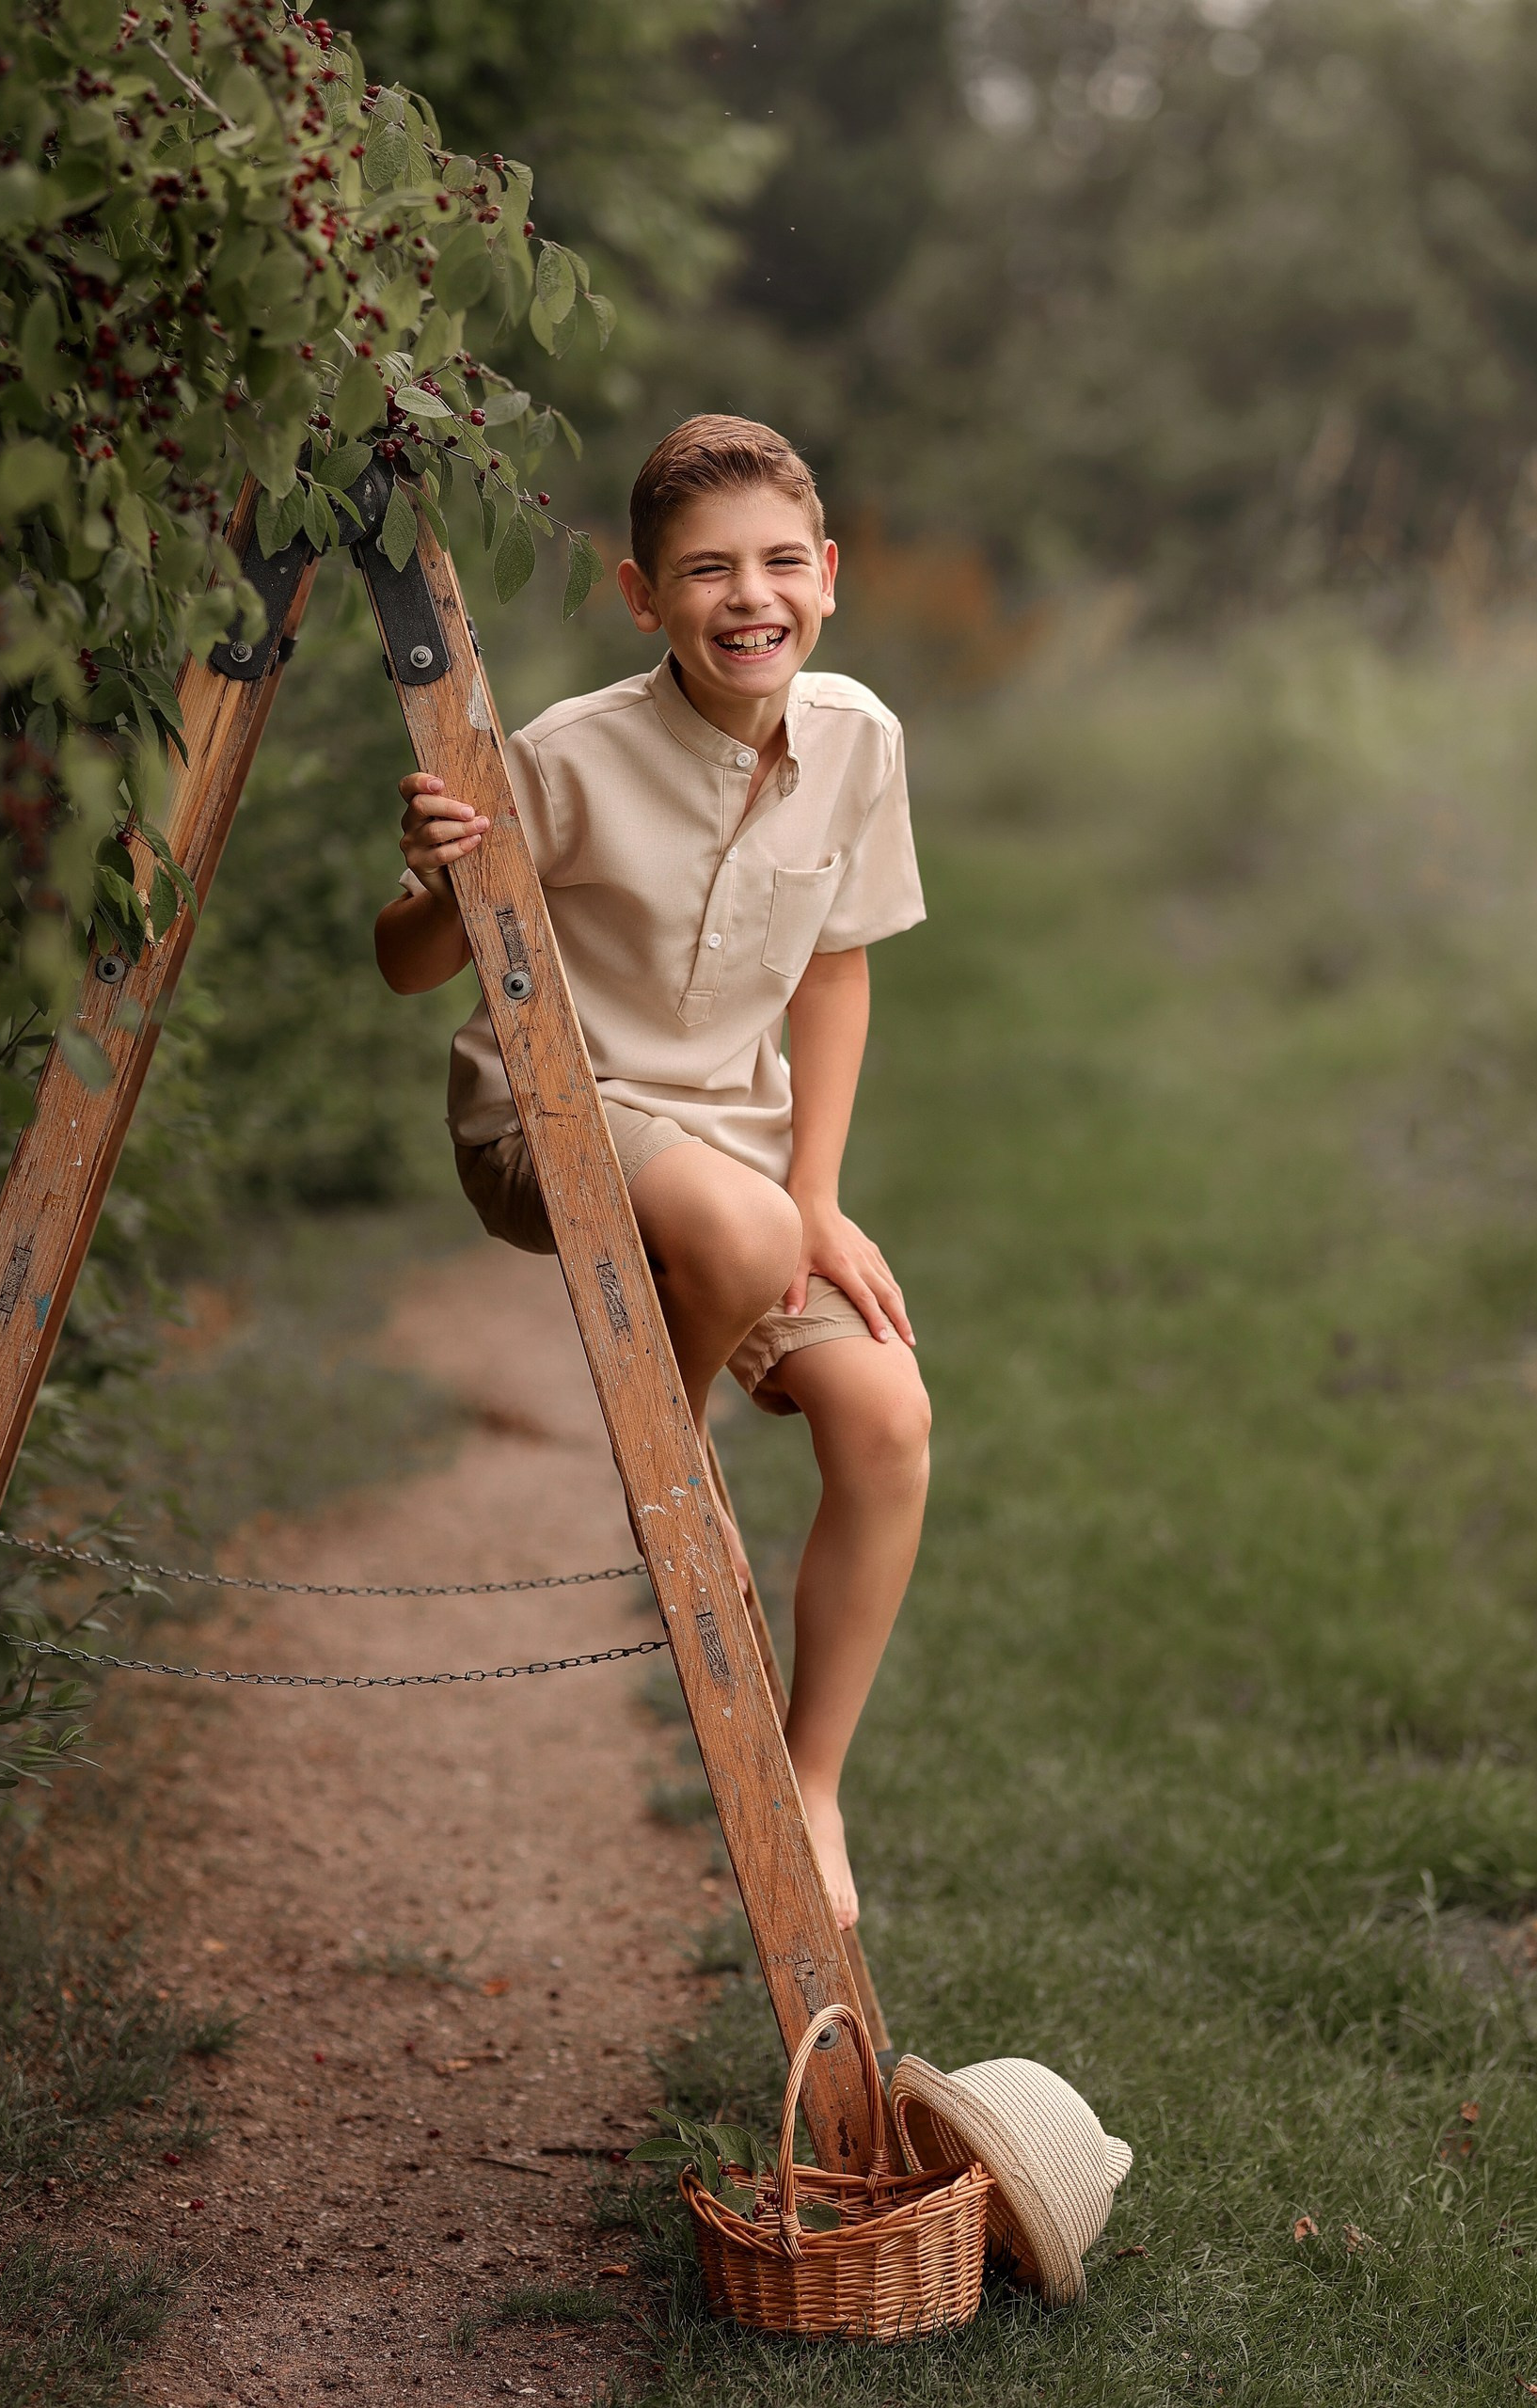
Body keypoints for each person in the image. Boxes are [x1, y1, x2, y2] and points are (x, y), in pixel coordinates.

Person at [372, 415, 929, 1931]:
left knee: (888, 1410)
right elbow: (409, 968)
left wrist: (819, 1194)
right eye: (703, 573)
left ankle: (811, 1784)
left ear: (828, 576)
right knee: (743, 1238)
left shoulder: (860, 740)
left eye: (774, 565)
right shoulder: (563, 756)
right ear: (643, 596)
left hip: (738, 1163)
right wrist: (440, 877)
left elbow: (834, 977)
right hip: (550, 1120)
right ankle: (664, 1479)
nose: (747, 599)